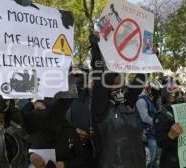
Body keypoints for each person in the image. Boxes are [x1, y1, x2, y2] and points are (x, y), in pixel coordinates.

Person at [90, 32, 146, 168]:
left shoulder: (127, 102)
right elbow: (98, 77)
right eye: (117, 79)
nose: (122, 83)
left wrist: (150, 57)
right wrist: (96, 48)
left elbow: (139, 81)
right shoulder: (101, 109)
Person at [22, 97, 85, 168]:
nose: (36, 114)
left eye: (40, 109)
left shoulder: (69, 132)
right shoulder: (33, 131)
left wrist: (63, 164)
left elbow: (81, 159)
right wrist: (30, 156)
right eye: (34, 110)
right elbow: (22, 149)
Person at [136, 80, 162, 168]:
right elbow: (145, 118)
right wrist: (158, 123)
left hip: (154, 134)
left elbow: (158, 112)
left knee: (155, 161)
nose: (157, 94)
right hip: (148, 135)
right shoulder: (141, 101)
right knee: (150, 161)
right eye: (155, 91)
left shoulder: (152, 100)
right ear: (149, 90)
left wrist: (158, 101)